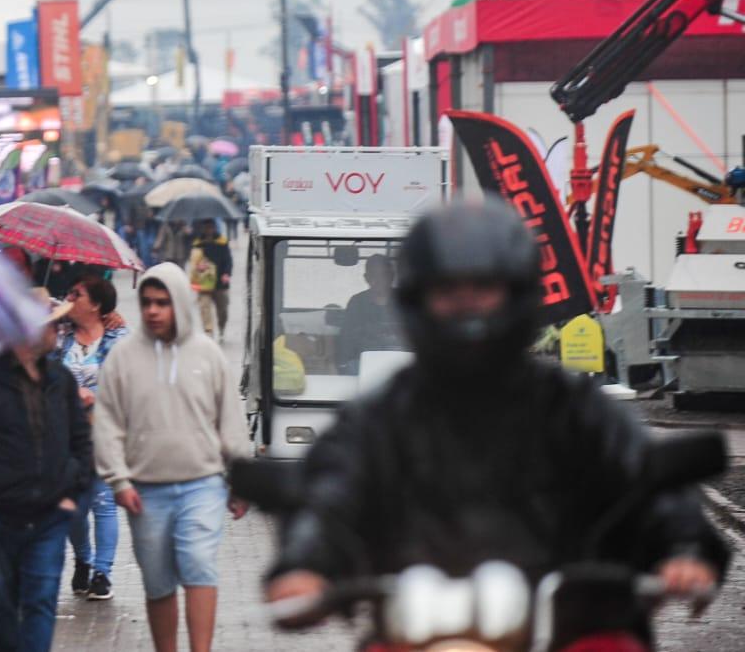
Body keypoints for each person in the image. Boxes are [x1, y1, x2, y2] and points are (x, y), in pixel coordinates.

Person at [265, 199, 728, 645]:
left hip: (573, 623)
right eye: (449, 294)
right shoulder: (381, 414)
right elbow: (332, 489)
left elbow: (641, 471)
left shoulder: (572, 406)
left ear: (518, 295)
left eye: (483, 291)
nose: (468, 309)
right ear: (417, 301)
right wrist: (305, 562)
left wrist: (683, 547)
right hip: (418, 624)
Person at [93, 264, 253, 652]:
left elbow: (230, 421)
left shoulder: (208, 355)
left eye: (163, 303)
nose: (152, 311)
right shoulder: (123, 357)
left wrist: (243, 481)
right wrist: (118, 480)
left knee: (199, 566)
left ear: (180, 303)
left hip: (203, 485)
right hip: (145, 491)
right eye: (147, 302)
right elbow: (107, 421)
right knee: (158, 580)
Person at [0, 290, 93, 652]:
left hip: (49, 515)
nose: (59, 330)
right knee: (2, 605)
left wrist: (73, 495)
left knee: (41, 602)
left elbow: (82, 441)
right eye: (52, 323)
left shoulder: (60, 379)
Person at [56, 276, 129, 601]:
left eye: (77, 294)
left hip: (104, 431)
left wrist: (94, 396)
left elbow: (128, 386)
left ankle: (103, 572)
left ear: (96, 304)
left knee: (103, 501)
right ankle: (83, 559)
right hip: (65, 434)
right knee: (73, 508)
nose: (69, 297)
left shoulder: (121, 338)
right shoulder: (59, 335)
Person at [334, 253, 402, 373]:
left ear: (392, 276)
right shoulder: (357, 302)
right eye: (373, 276)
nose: (378, 280)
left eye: (383, 275)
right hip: (361, 364)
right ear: (366, 278)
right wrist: (341, 366)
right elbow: (346, 338)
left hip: (400, 364)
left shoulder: (406, 301)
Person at [189, 219, 232, 341]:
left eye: (210, 227)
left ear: (214, 227)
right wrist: (198, 267)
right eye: (206, 227)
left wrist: (226, 274)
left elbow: (228, 260)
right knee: (204, 307)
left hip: (220, 282)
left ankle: (221, 327)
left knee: (222, 309)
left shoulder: (222, 241)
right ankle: (208, 331)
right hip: (204, 282)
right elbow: (193, 261)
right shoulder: (198, 243)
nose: (208, 230)